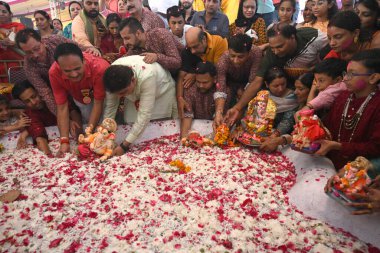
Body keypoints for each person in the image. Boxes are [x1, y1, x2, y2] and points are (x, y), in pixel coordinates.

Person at [224, 23, 328, 126]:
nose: (276, 52)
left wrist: (313, 70)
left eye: (280, 47)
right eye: (272, 47)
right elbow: (257, 81)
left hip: (321, 87)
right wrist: (237, 108)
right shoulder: (272, 54)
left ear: (292, 37)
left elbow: (333, 60)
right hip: (294, 91)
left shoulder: (312, 37)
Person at [315, 49, 380, 169]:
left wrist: (338, 146)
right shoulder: (343, 97)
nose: (345, 79)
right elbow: (327, 128)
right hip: (328, 164)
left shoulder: (377, 105)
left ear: (373, 78)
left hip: (360, 172)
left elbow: (375, 148)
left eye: (352, 74)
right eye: (345, 73)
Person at [103, 55, 178, 154]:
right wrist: (104, 135)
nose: (120, 96)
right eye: (117, 94)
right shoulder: (110, 77)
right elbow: (111, 107)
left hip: (161, 92)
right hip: (133, 91)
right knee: (130, 122)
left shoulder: (147, 75)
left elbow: (144, 114)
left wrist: (124, 146)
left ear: (133, 80)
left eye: (123, 92)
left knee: (156, 129)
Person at [49, 43, 109, 155]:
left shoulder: (100, 68)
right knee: (89, 125)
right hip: (80, 99)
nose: (74, 74)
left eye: (77, 68)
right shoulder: (54, 73)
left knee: (105, 127)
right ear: (58, 66)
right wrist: (64, 141)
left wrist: (87, 138)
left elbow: (98, 103)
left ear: (84, 61)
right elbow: (62, 107)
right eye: (67, 71)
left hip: (104, 99)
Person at [15, 28, 90, 115]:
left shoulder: (55, 40)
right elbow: (46, 94)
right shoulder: (29, 67)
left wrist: (92, 49)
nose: (35, 55)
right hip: (60, 93)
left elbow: (79, 49)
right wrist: (62, 116)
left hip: (81, 84)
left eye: (37, 49)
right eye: (28, 53)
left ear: (42, 41)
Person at [11, 80, 81, 155]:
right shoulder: (30, 114)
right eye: (27, 101)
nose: (33, 102)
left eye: (34, 96)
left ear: (38, 91)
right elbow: (39, 136)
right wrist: (48, 156)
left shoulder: (53, 98)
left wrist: (79, 138)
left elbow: (73, 111)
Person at [177, 27, 228, 117]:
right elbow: (181, 76)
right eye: (190, 47)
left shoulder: (219, 42)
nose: (192, 51)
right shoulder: (187, 51)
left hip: (218, 79)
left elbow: (219, 71)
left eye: (195, 47)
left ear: (204, 39)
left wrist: (195, 75)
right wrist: (180, 98)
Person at [215, 34, 262, 122]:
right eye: (232, 56)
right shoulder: (223, 61)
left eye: (240, 57)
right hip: (230, 84)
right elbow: (221, 88)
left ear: (249, 53)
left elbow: (253, 80)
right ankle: (222, 123)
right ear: (228, 51)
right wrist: (219, 112)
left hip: (250, 83)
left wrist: (242, 91)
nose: (236, 60)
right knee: (226, 95)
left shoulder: (256, 53)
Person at [259, 67, 298, 150]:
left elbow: (287, 121)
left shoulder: (292, 97)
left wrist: (274, 136)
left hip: (282, 138)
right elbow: (254, 115)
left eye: (283, 84)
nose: (280, 89)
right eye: (276, 86)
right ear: (267, 84)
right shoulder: (263, 96)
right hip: (262, 133)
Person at [181, 61, 220, 138]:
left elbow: (220, 117)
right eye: (198, 82)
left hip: (214, 128)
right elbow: (188, 115)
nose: (201, 85)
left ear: (214, 79)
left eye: (205, 82)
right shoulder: (190, 90)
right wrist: (184, 137)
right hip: (196, 127)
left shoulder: (220, 91)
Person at [0, 1, 25, 83]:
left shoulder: (18, 26)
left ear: (10, 14)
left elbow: (16, 40)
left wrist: (10, 41)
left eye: (4, 11)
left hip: (19, 66)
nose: (1, 14)